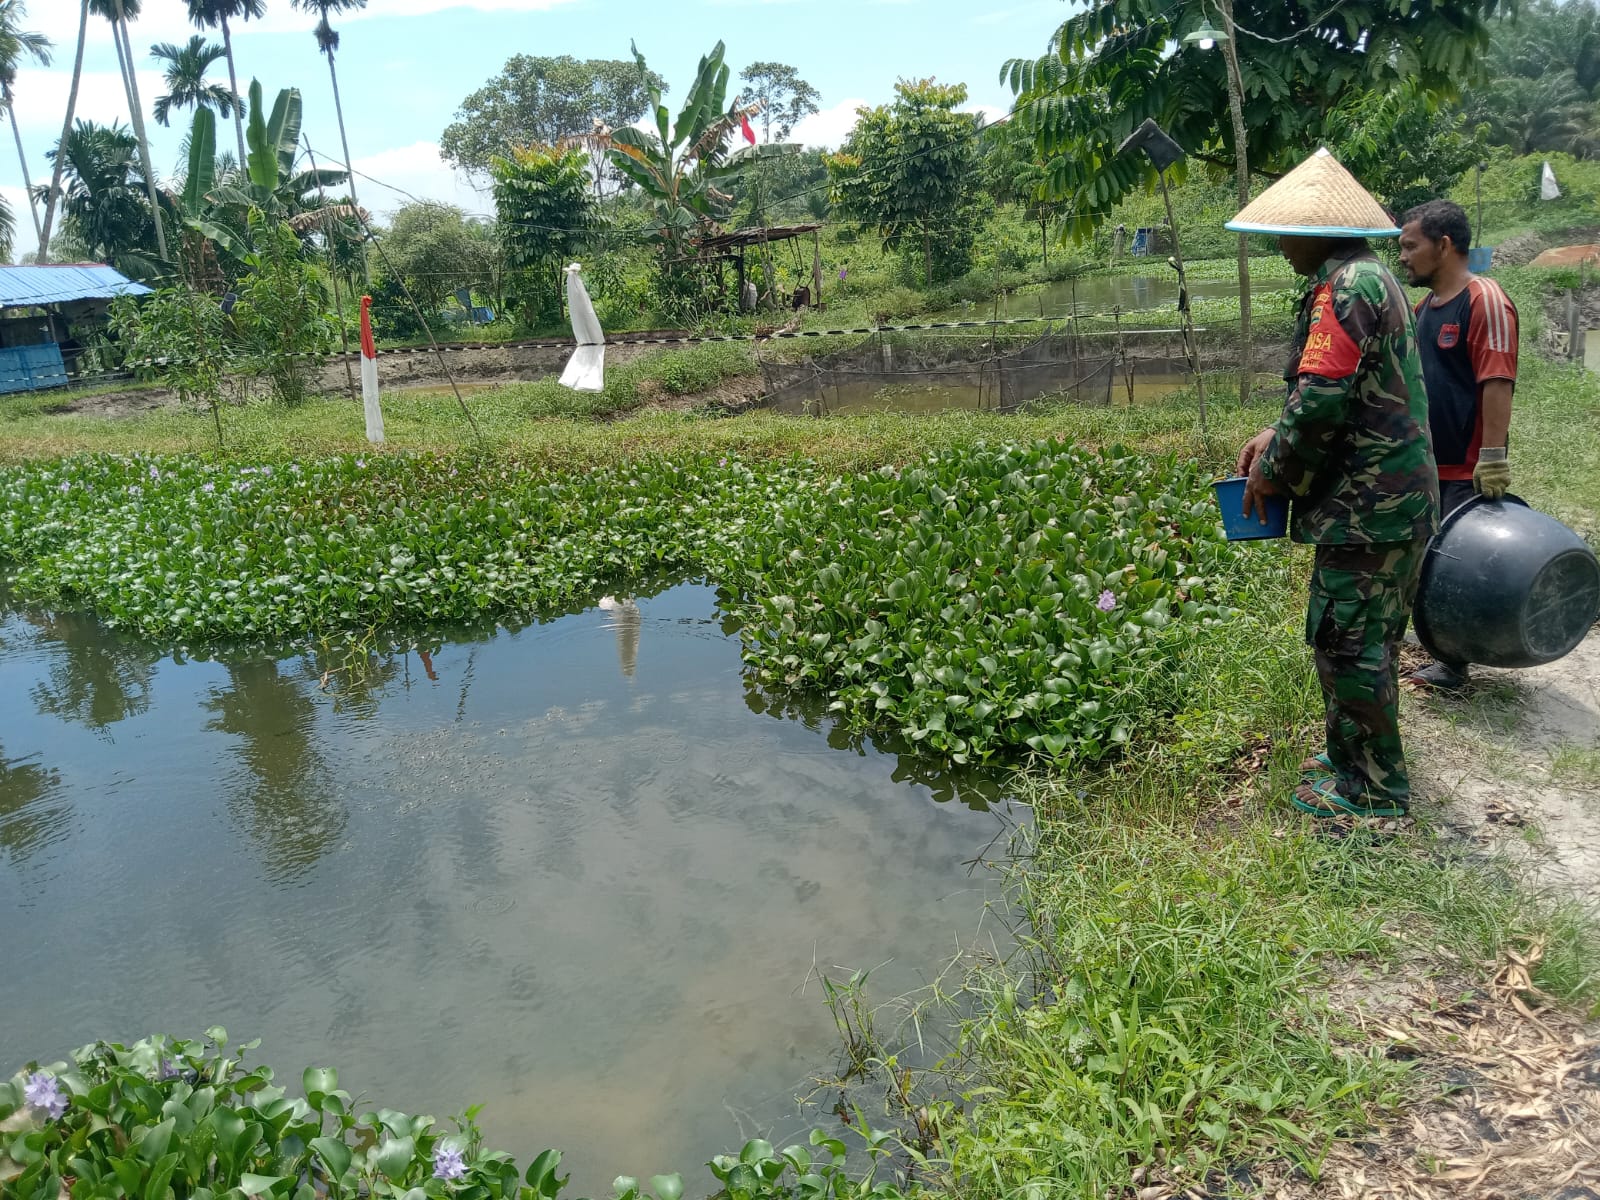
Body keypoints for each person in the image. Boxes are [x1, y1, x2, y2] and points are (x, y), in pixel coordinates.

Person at [1228, 148, 1441, 818]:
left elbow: (1322, 402)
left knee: (1350, 642)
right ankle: (1350, 755)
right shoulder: (1370, 279)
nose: (1280, 243)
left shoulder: (1344, 289)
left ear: (1317, 232)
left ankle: (1375, 791)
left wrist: (1272, 472)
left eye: (1287, 230)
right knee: (1361, 636)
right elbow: (1339, 390)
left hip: (1369, 506)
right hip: (1390, 500)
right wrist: (1275, 429)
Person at [1397, 199, 1520, 691]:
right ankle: (1437, 641)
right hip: (1426, 462)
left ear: (1443, 246)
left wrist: (1491, 458)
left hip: (1465, 468)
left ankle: (1455, 662)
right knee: (1424, 559)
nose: (1402, 256)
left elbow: (1496, 379)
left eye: (1410, 246)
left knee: (1456, 567)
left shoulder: (1484, 299)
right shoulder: (1425, 308)